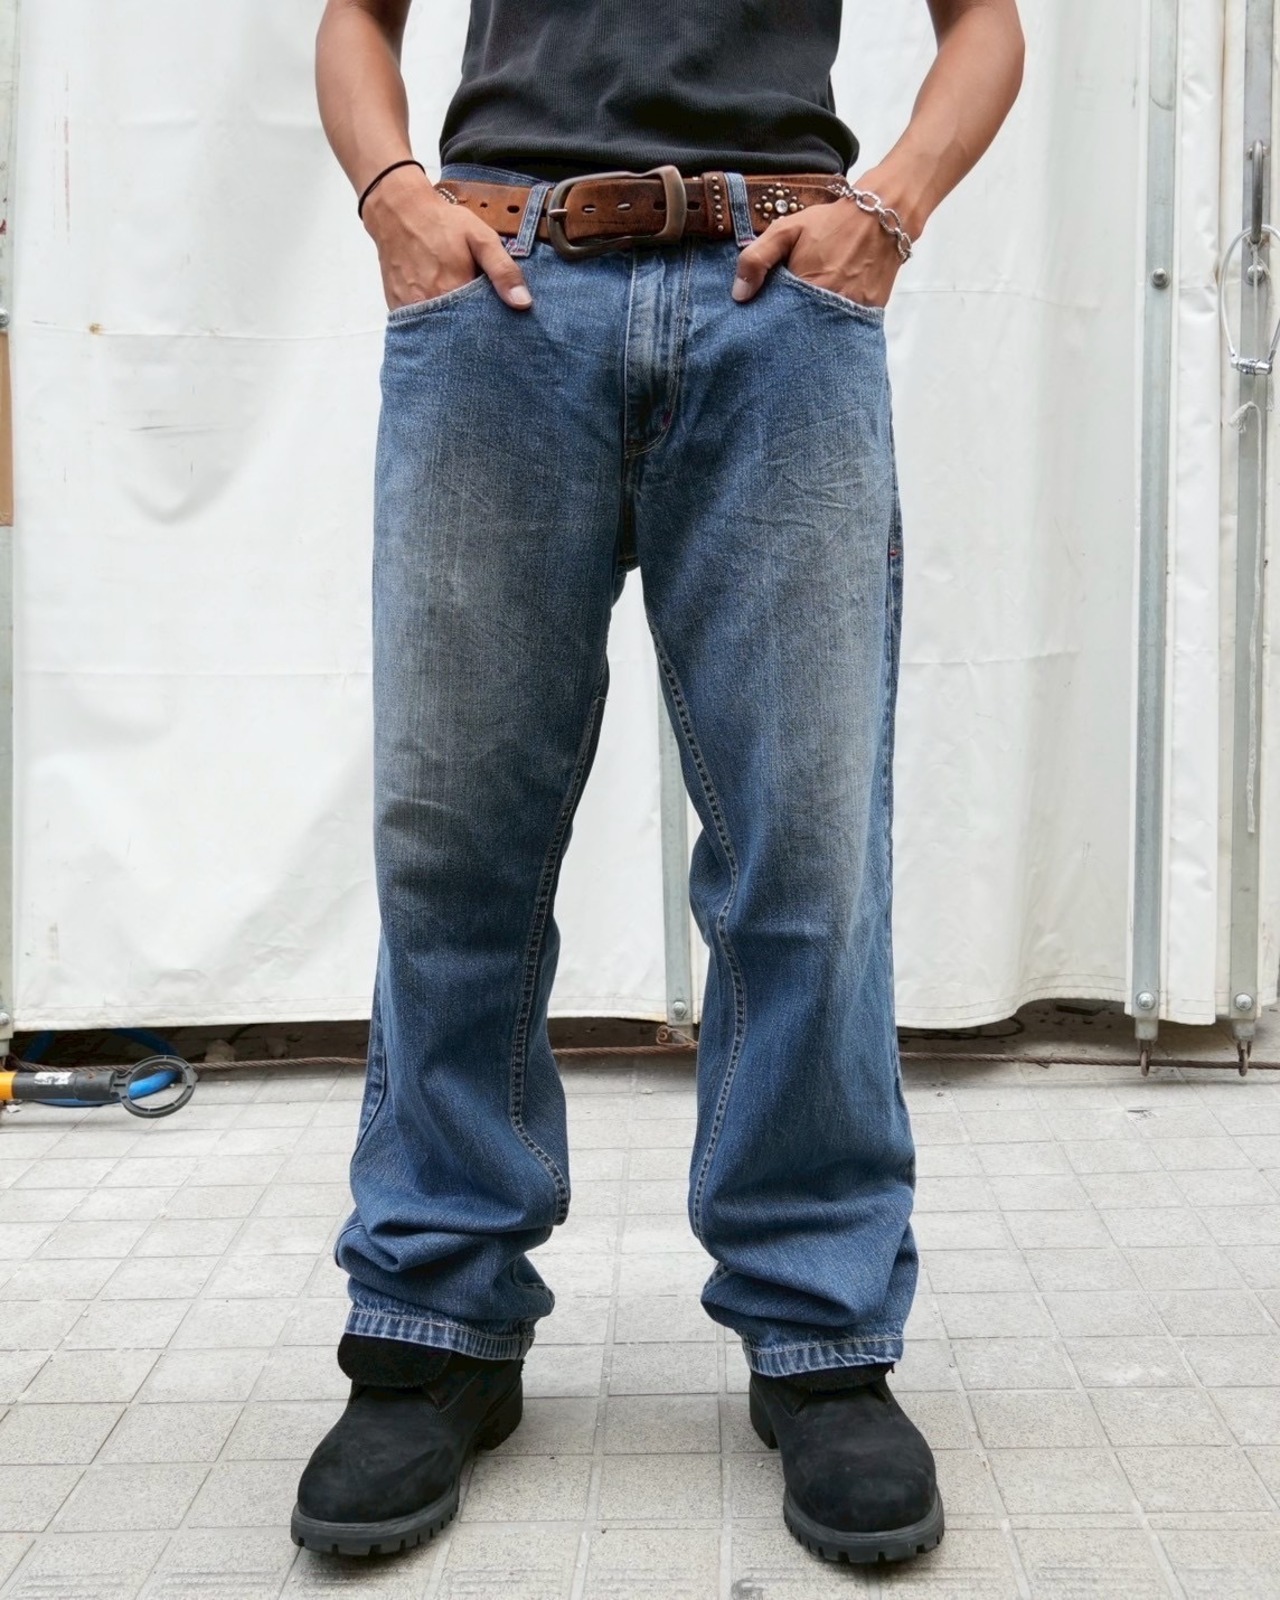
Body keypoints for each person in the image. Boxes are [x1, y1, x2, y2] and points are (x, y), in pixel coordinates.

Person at [293, 0, 1024, 1568]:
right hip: (500, 296)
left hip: (780, 300)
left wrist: (887, 211)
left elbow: (987, 26)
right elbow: (356, 18)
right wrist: (393, 200)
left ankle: (821, 1332)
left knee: (805, 851)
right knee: (454, 842)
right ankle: (434, 1322)